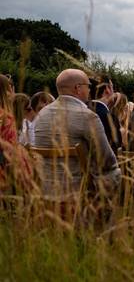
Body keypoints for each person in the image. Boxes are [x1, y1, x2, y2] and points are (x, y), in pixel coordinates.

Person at [32, 69, 121, 198]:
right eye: (88, 86)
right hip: (78, 192)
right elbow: (106, 160)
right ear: (78, 88)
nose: (90, 90)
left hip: (45, 191)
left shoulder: (41, 114)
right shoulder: (88, 116)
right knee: (115, 172)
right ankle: (103, 215)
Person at [0, 75, 34, 192]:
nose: (13, 94)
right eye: (10, 89)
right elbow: (10, 153)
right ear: (5, 92)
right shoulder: (6, 118)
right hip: (7, 179)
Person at [91, 79, 122, 151]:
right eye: (112, 87)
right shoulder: (109, 118)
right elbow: (116, 148)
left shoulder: (82, 111)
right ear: (107, 89)